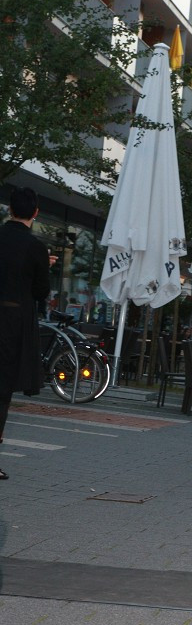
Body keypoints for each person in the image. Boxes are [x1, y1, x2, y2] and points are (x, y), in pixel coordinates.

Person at [0, 188, 50, 480]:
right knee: (2, 389)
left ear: (9, 210)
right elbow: (41, 291)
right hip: (13, 321)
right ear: (35, 213)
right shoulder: (36, 248)